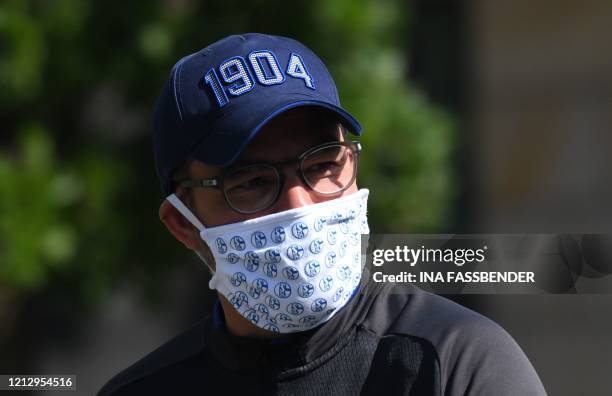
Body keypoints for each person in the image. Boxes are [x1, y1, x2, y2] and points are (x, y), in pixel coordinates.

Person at [98, 33, 546, 395]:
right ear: (183, 223)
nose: (299, 206)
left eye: (322, 164)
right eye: (251, 182)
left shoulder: (456, 363)